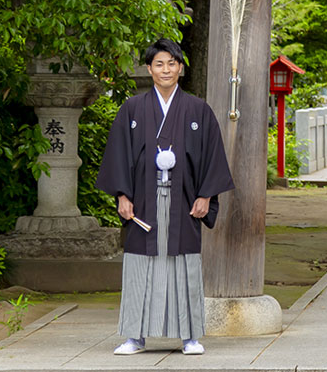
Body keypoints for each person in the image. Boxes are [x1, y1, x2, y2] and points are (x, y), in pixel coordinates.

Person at [96, 38, 234, 355]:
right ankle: (134, 336)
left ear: (180, 68)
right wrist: (122, 194)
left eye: (172, 63)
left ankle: (190, 336)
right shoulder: (132, 109)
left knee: (183, 264)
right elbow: (119, 155)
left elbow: (212, 156)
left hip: (184, 202)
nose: (166, 69)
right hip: (142, 201)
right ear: (149, 69)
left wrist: (205, 195)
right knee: (139, 265)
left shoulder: (198, 110)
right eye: (159, 63)